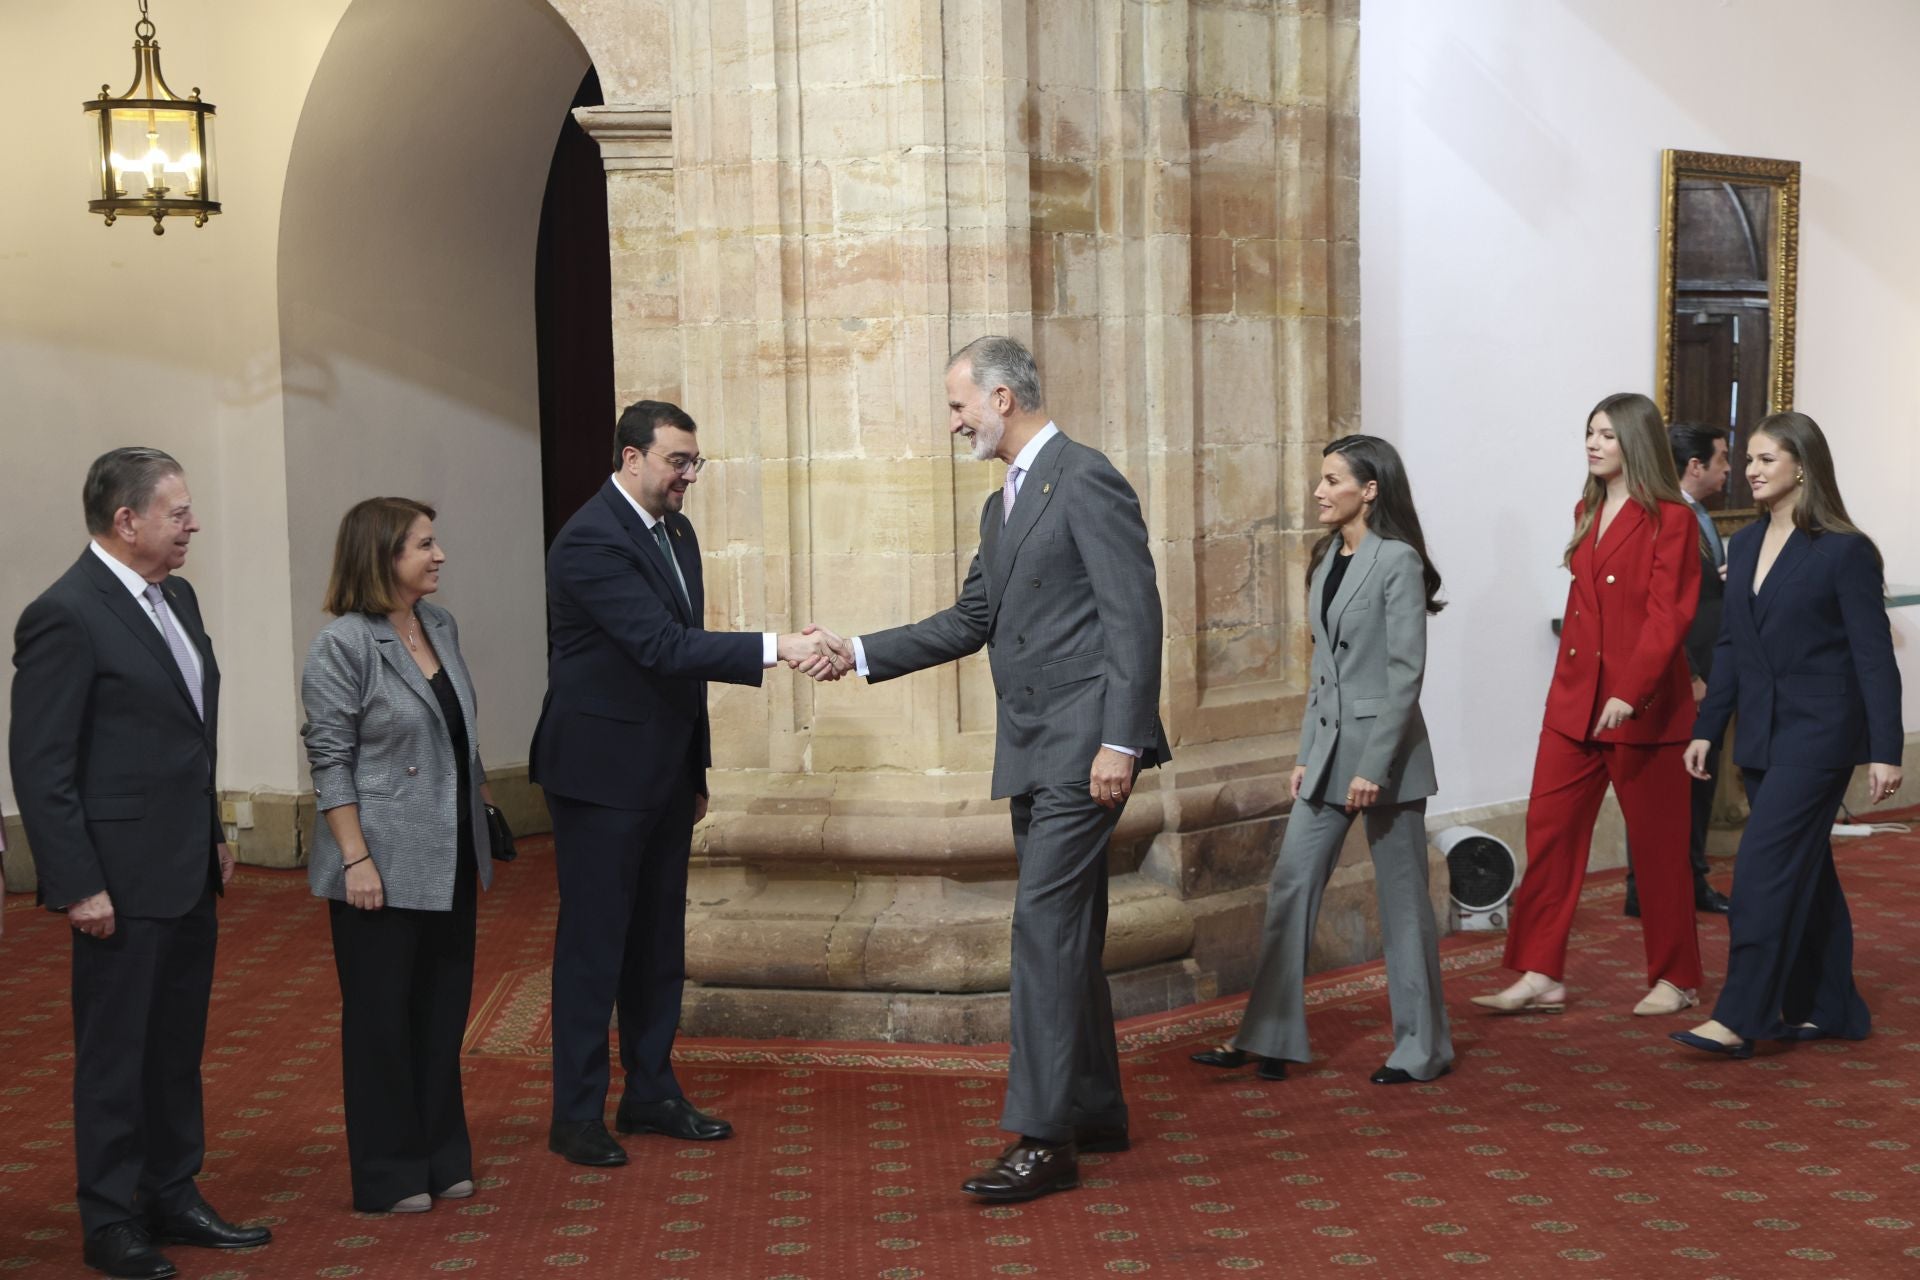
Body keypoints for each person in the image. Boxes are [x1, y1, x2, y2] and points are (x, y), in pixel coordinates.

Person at [820, 335, 1170, 1203]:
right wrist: (856, 651)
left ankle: (1043, 1140)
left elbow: (1136, 616)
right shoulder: (1001, 506)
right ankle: (1092, 1106)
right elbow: (969, 618)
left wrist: (1121, 742)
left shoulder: (1086, 478)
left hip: (1087, 749)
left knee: (1041, 932)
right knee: (1068, 932)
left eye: (956, 406)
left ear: (1003, 397)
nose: (952, 424)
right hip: (1034, 749)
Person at [532, 400, 842, 1167]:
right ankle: (575, 1115)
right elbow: (663, 645)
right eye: (678, 461)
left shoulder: (675, 530)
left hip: (664, 774)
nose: (689, 477)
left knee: (658, 943)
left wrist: (695, 768)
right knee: (594, 949)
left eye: (695, 462)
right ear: (632, 458)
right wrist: (782, 647)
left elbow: (682, 675)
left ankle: (651, 1092)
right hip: (599, 777)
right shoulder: (589, 542)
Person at [9, 447, 271, 1280]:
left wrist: (214, 828)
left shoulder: (177, 597)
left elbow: (186, 728)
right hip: (115, 879)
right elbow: (42, 765)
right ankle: (112, 1218)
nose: (194, 524)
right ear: (127, 521)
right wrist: (77, 880)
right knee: (118, 1052)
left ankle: (172, 1190)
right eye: (178, 511)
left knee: (174, 1045)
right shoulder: (66, 612)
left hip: (185, 863)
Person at [1189, 437, 1451, 1086]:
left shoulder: (1399, 562)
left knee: (1404, 905)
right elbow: (1322, 674)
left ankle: (1423, 1048)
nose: (1318, 490)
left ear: (1370, 489)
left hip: (1384, 761)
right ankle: (1272, 1035)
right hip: (1328, 754)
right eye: (1321, 478)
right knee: (1290, 886)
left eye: (1333, 479)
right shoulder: (1327, 557)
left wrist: (1373, 768)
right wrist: (1307, 754)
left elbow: (1403, 677)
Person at [1671, 412, 1902, 1058]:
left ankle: (1742, 1014)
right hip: (1764, 737)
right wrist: (1707, 730)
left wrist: (1886, 748)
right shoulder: (1740, 546)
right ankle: (1833, 1007)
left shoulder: (1845, 549)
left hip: (1822, 736)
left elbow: (1872, 656)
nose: (1751, 470)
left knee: (1762, 870)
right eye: (1748, 459)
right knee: (1809, 875)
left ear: (1803, 465)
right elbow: (1733, 648)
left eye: (1767, 459)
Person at [1472, 393, 1704, 1018]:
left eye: (1606, 434)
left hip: (1644, 711)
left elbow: (1669, 615)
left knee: (1657, 851)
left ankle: (1677, 978)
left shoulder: (1671, 518)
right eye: (1589, 434)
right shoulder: (1588, 506)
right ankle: (1540, 973)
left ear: (1636, 440)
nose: (1594, 444)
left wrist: (1632, 691)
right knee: (1548, 836)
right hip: (1574, 707)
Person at [301, 498, 495, 1213]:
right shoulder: (342, 646)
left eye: (435, 542)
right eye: (423, 544)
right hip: (377, 861)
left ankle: (443, 1156)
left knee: (442, 1016)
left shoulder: (438, 624)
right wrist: (355, 859)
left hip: (447, 851)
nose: (438, 555)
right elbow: (331, 759)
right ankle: (389, 1172)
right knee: (382, 1022)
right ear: (381, 556)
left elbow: (454, 732)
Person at [1624, 423, 1733, 918]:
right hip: (1682, 674)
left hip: (1707, 667)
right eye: (1724, 459)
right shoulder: (1663, 518)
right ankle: (1653, 887)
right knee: (1672, 786)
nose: (1731, 470)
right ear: (1696, 466)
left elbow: (1696, 588)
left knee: (1696, 782)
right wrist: (1691, 672)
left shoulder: (1700, 517)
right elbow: (1658, 605)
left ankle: (1683, 881)